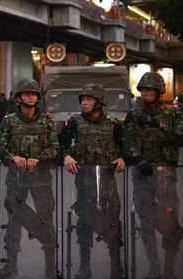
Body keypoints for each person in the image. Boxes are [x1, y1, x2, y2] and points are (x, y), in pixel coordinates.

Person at [60, 84, 126, 279]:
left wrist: (123, 158)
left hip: (108, 182)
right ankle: (84, 266)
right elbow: (61, 144)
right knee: (85, 223)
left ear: (99, 102)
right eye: (82, 99)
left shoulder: (113, 124)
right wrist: (66, 156)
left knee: (113, 223)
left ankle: (116, 266)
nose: (84, 103)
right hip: (84, 182)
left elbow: (125, 147)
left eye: (89, 99)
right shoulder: (74, 122)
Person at [0, 79, 59, 278]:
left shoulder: (46, 122)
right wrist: (12, 157)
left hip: (41, 180)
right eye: (26, 94)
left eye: (34, 94)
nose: (31, 96)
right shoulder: (9, 121)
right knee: (13, 222)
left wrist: (38, 159)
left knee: (46, 221)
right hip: (16, 179)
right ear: (19, 98)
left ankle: (51, 268)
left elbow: (55, 148)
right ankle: (10, 266)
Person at [124, 72, 183, 279]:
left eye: (149, 89)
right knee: (146, 222)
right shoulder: (134, 114)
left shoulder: (172, 115)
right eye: (142, 90)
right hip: (142, 176)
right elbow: (127, 141)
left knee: (170, 224)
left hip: (166, 176)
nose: (145, 93)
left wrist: (157, 124)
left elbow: (179, 138)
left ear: (159, 91)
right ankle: (154, 267)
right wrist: (136, 158)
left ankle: (169, 269)